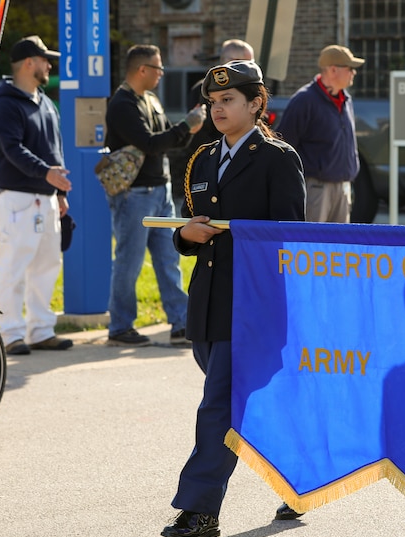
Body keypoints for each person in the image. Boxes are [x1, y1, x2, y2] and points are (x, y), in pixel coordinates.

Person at [161, 60, 306, 537]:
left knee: (219, 404)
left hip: (253, 303)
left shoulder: (276, 158)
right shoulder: (201, 159)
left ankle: (200, 509)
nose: (218, 108)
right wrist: (187, 234)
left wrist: (238, 234)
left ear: (256, 104)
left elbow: (290, 239)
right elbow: (188, 230)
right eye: (213, 101)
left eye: (228, 101)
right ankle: (299, 477)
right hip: (207, 301)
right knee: (252, 402)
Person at [104, 44, 207, 347]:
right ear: (142, 70)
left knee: (168, 260)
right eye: (158, 68)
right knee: (129, 263)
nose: (163, 73)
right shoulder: (122, 104)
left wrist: (186, 129)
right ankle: (120, 327)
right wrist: (187, 126)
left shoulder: (149, 99)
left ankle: (181, 323)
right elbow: (150, 143)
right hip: (134, 195)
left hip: (159, 191)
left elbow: (165, 141)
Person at [0, 35, 74, 356]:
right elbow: (12, 150)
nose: (49, 65)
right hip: (18, 197)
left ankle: (40, 330)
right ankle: (9, 333)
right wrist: (47, 174)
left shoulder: (45, 102)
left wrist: (58, 190)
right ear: (29, 63)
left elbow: (55, 148)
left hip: (47, 196)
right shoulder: (6, 104)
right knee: (14, 266)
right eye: (44, 60)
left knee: (47, 265)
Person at [277, 45, 363, 223]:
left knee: (338, 247)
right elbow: (284, 146)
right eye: (350, 68)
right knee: (311, 245)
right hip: (316, 188)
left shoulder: (345, 99)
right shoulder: (304, 100)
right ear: (333, 70)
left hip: (343, 188)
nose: (353, 73)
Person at [170, 39, 256, 186]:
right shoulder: (202, 89)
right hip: (214, 164)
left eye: (252, 64)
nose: (249, 69)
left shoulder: (252, 91)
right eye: (243, 64)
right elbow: (198, 133)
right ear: (228, 61)